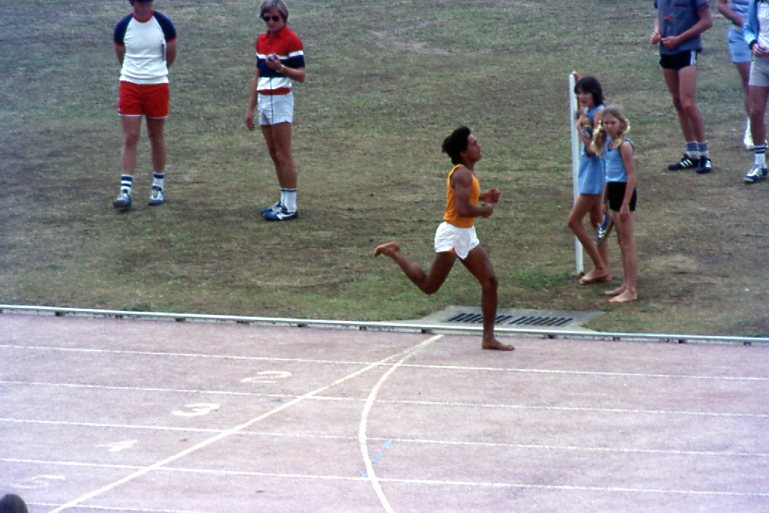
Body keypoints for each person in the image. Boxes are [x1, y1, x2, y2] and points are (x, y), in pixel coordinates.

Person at [373, 126, 514, 351]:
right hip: (452, 235)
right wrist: (484, 210)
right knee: (429, 286)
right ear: (463, 152)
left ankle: (488, 338)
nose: (479, 147)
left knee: (490, 281)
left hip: (466, 234)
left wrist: (485, 196)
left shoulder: (467, 173)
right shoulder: (461, 173)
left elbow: (467, 198)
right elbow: (463, 208)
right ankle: (394, 252)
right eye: (474, 144)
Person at [112, 0, 177, 210]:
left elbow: (171, 55)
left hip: (157, 85)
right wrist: (136, 73)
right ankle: (125, 190)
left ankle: (158, 186)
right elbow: (121, 55)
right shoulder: (123, 26)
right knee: (130, 137)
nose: (143, 3)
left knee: (156, 136)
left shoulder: (164, 24)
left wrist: (156, 72)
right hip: (130, 84)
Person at [244, 0, 306, 221]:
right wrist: (250, 108)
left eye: (275, 18)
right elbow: (257, 75)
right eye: (266, 18)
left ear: (284, 18)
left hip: (280, 100)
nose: (270, 22)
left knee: (283, 153)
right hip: (264, 100)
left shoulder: (291, 40)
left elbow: (301, 75)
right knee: (273, 153)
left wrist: (281, 68)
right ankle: (284, 200)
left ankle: (290, 206)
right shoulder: (261, 42)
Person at [650, 0, 714, 174]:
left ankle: (704, 154)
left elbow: (707, 20)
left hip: (686, 50)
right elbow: (659, 15)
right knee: (677, 101)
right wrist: (656, 31)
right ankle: (691, 152)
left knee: (687, 103)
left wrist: (680, 39)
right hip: (666, 50)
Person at [592, 108, 639, 303]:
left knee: (627, 243)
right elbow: (608, 175)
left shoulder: (624, 146)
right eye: (605, 123)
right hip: (613, 191)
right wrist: (604, 200)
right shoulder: (608, 145)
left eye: (612, 123)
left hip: (623, 193)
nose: (609, 126)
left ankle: (632, 289)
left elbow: (631, 175)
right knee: (621, 241)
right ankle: (625, 284)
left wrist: (625, 204)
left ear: (620, 124)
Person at [568, 74, 611, 286]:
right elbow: (584, 112)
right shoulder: (591, 112)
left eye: (585, 92)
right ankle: (603, 267)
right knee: (596, 221)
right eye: (579, 93)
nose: (581, 97)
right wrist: (577, 79)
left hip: (594, 173)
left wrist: (582, 130)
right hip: (590, 172)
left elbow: (594, 149)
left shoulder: (599, 113)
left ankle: (600, 266)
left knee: (573, 222)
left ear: (594, 92)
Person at [717, 0, 754, 149]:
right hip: (740, 35)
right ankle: (752, 130)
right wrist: (743, 22)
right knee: (751, 83)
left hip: (765, 33)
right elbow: (721, 5)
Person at [742, 0, 769, 183]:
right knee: (755, 111)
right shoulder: (757, 2)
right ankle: (759, 163)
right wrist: (752, 43)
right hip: (760, 62)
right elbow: (748, 27)